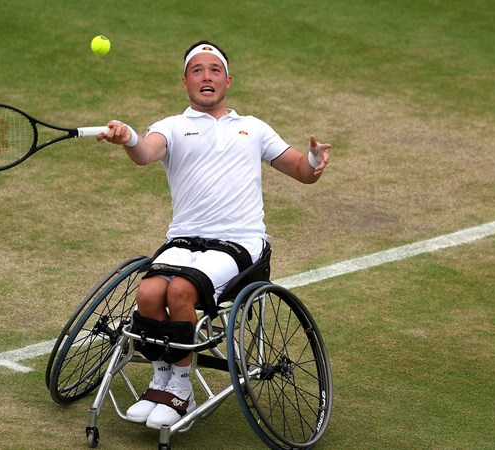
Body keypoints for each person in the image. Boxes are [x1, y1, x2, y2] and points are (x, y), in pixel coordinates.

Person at [98, 40, 331, 430]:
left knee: (181, 292)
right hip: (184, 240)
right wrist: (130, 139)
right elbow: (146, 153)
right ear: (185, 83)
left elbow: (301, 172)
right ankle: (161, 380)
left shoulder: (253, 127)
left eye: (214, 70)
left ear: (227, 81)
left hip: (240, 242)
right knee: (148, 293)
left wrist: (313, 160)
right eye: (197, 70)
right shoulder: (171, 126)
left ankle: (183, 390)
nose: (206, 76)